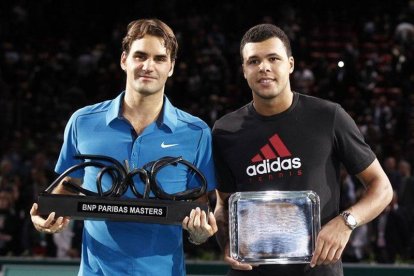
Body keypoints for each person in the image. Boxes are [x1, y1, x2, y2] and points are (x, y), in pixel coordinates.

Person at [30, 18, 218, 275]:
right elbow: (67, 187)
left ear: (171, 67)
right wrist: (47, 215)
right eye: (140, 56)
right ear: (124, 60)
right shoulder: (83, 121)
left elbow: (200, 209)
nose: (148, 66)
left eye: (159, 58)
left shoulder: (196, 132)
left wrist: (199, 235)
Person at [213, 23, 393, 276]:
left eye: (273, 58)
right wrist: (227, 243)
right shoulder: (225, 131)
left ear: (290, 64)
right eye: (253, 61)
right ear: (244, 70)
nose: (263, 67)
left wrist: (346, 222)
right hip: (250, 270)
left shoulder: (328, 116)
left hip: (318, 270)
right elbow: (223, 203)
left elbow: (382, 187)